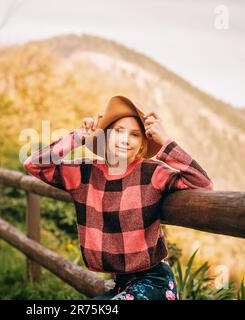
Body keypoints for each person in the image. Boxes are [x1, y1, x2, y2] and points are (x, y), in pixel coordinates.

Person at [24, 95, 214, 300]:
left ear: (142, 144)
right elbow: (34, 164)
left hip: (155, 282)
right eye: (118, 131)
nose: (125, 139)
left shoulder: (153, 173)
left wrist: (165, 142)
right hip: (121, 284)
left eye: (134, 135)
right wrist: (78, 136)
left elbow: (203, 183)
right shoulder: (84, 172)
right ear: (105, 136)